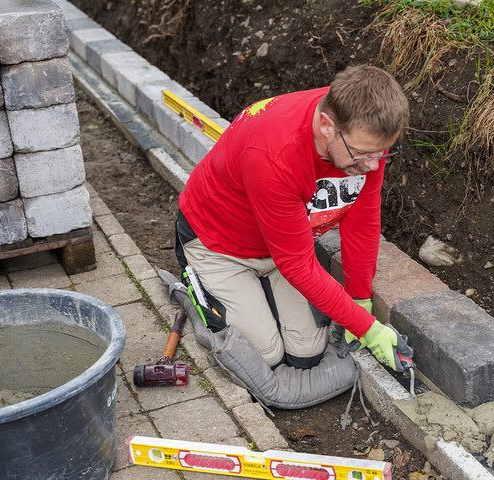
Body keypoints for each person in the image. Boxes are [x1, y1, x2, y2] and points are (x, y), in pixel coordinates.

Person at [175, 64, 413, 374]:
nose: (371, 165)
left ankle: (260, 295)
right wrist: (369, 329)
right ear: (326, 125)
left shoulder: (362, 134)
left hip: (279, 247)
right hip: (218, 244)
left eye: (382, 154)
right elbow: (298, 266)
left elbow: (362, 222)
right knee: (265, 356)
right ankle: (196, 285)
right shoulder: (274, 156)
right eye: (362, 154)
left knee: (307, 353)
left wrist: (360, 299)